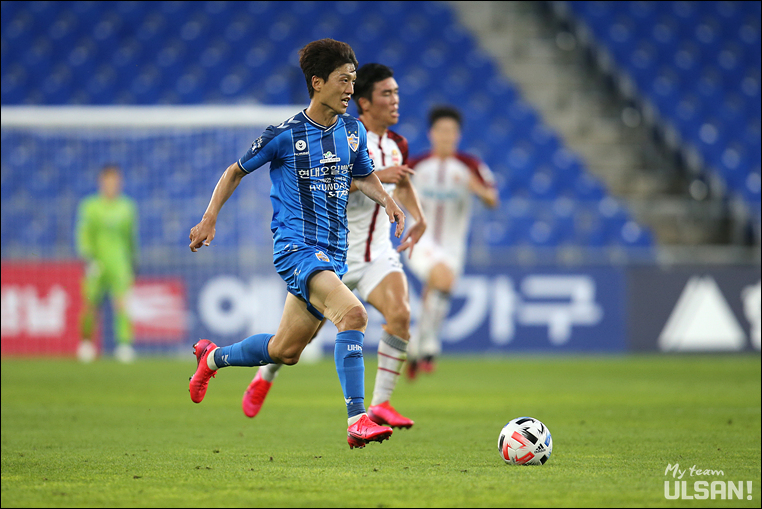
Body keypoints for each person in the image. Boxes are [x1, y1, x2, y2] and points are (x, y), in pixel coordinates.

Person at [187, 39, 407, 450]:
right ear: (317, 82)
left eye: (353, 81)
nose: (350, 89)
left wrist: (389, 202)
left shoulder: (353, 131)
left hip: (333, 253)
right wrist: (209, 217)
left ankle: (212, 357)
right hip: (297, 249)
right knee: (353, 315)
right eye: (343, 80)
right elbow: (235, 171)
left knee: (285, 350)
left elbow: (364, 175)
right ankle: (358, 418)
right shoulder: (285, 135)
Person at [241, 63, 427, 429]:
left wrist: (417, 215)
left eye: (396, 93)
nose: (395, 101)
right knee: (298, 342)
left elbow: (401, 182)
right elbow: (338, 182)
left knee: (401, 314)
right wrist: (377, 178)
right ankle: (266, 374)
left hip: (377, 254)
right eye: (386, 94)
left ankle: (380, 404)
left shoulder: (398, 144)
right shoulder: (342, 134)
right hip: (333, 253)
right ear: (365, 102)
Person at [404, 106, 499, 379]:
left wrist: (476, 188)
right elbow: (396, 193)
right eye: (441, 130)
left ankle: (415, 346)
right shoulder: (416, 165)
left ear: (458, 135)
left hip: (454, 245)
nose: (446, 136)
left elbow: (492, 200)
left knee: (439, 285)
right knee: (441, 277)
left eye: (452, 131)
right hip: (420, 239)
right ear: (431, 133)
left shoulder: (471, 166)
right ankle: (430, 345)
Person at [75, 164, 139, 363]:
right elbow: (84, 234)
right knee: (91, 303)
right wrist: (88, 257)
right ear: (101, 182)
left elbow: (131, 237)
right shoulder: (90, 206)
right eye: (108, 180)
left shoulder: (127, 207)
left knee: (122, 303)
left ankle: (124, 344)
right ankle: (86, 343)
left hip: (120, 263)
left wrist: (132, 259)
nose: (112, 184)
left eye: (115, 180)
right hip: (97, 261)